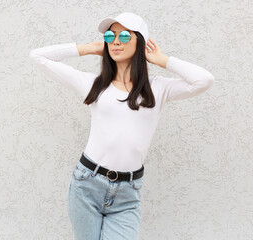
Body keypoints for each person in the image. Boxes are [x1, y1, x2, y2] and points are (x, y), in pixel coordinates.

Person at [29, 12, 214, 240]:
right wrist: (89, 48)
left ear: (140, 41)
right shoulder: (94, 85)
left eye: (124, 36)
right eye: (110, 36)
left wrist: (162, 60)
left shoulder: (158, 89)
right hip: (87, 184)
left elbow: (204, 80)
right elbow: (37, 56)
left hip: (128, 193)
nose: (116, 41)